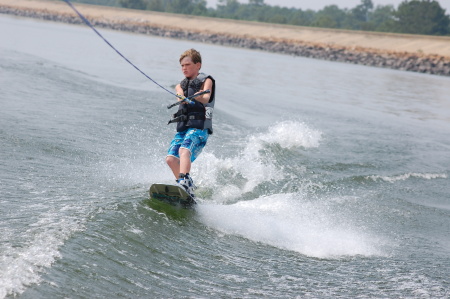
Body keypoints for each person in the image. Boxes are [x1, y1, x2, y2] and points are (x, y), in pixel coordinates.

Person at [166, 49, 216, 199]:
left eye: (187, 64)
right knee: (170, 159)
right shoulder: (180, 85)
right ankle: (185, 188)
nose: (184, 68)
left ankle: (185, 181)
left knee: (184, 150)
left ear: (198, 65)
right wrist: (181, 96)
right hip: (184, 128)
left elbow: (206, 97)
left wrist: (195, 97)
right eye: (182, 65)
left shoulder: (206, 80)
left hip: (199, 128)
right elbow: (179, 94)